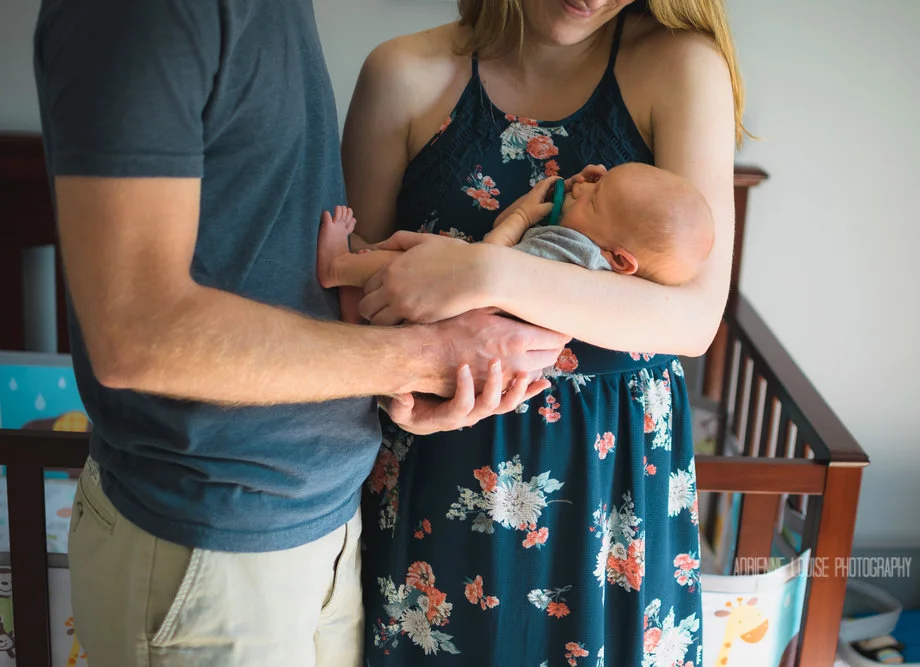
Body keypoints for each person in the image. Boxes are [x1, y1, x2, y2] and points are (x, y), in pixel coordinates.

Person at [31, 1, 571, 665]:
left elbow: (256, 259)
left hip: (315, 527)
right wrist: (419, 356)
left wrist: (396, 377)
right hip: (212, 550)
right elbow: (137, 330)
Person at [342, 0, 745, 664]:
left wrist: (484, 271)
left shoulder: (680, 68)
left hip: (613, 482)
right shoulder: (403, 74)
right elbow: (350, 297)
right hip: (441, 461)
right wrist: (397, 386)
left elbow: (693, 319)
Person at [317, 162, 716, 319]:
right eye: (597, 182)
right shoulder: (596, 266)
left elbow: (489, 265)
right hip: (460, 321)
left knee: (404, 268)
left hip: (457, 313)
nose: (579, 190)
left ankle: (339, 266)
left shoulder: (570, 253)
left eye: (593, 202)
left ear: (619, 259)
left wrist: (523, 216)